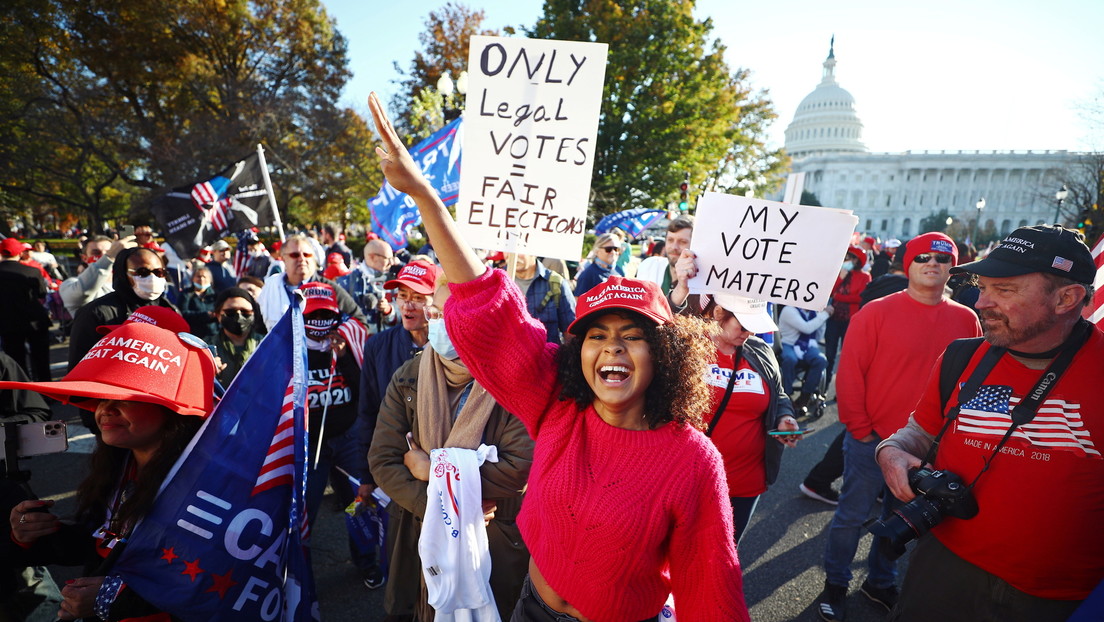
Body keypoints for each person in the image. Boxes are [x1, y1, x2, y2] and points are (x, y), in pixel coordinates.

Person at [369, 91, 748, 621]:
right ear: (578, 351)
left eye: (632, 335)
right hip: (528, 608)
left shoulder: (693, 461)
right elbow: (487, 306)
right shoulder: (557, 407)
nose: (612, 346)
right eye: (596, 335)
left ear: (666, 354)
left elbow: (712, 588)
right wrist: (426, 197)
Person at [876, 225, 1104, 622]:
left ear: (1067, 298)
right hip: (942, 569)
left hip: (1057, 596)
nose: (982, 302)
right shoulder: (962, 357)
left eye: (1005, 290)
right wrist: (891, 452)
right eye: (983, 287)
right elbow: (919, 433)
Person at [817, 232, 981, 622]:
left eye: (943, 259)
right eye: (923, 256)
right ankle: (836, 584)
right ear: (907, 263)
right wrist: (859, 430)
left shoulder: (966, 318)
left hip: (926, 449)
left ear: (952, 268)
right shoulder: (874, 312)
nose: (932, 264)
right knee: (851, 517)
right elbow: (851, 374)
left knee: (901, 522)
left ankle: (879, 582)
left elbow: (969, 381)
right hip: (870, 441)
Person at [2, 320, 214, 621]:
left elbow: (215, 584)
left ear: (173, 411)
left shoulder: (206, 486)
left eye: (124, 397)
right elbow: (100, 545)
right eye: (100, 397)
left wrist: (112, 599)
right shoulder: (119, 467)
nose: (105, 409)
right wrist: (29, 533)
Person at [369, 275, 534, 621]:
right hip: (417, 533)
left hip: (496, 541)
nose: (438, 322)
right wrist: (443, 509)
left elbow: (518, 466)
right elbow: (384, 460)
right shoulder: (409, 376)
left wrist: (433, 471)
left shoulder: (516, 382)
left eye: (451, 313)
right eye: (437, 313)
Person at [701, 293, 801, 544]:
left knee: (724, 558)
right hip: (692, 483)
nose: (748, 333)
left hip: (745, 482)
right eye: (743, 325)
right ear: (718, 313)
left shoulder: (760, 351)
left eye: (753, 326)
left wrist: (785, 417)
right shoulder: (689, 349)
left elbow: (778, 394)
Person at [355, 258, 440, 545]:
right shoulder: (378, 345)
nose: (407, 305)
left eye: (418, 298)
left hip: (442, 472)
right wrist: (366, 474)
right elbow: (367, 413)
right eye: (402, 296)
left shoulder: (455, 350)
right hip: (394, 475)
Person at [68, 247, 178, 373]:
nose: (152, 278)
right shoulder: (95, 313)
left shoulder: (169, 309)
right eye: (142, 272)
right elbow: (78, 368)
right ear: (123, 274)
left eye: (158, 272)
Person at [255, 234, 366, 333]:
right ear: (283, 259)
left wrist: (340, 336)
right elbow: (259, 328)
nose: (302, 259)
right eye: (295, 255)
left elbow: (359, 320)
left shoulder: (328, 288)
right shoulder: (271, 288)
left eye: (307, 255)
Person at [0, 238, 51, 382]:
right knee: (41, 358)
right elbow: (42, 293)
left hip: (8, 321)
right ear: (20, 253)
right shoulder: (32, 271)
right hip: (35, 319)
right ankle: (46, 391)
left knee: (16, 360)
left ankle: (22, 393)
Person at [823, 245, 870, 382]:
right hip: (833, 318)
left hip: (850, 320)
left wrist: (839, 297)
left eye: (850, 258)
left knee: (847, 356)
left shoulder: (864, 276)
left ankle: (842, 387)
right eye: (846, 257)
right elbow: (829, 292)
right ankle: (824, 388)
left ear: (857, 261)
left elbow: (860, 297)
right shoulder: (838, 273)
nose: (847, 260)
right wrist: (840, 278)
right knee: (829, 355)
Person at [59, 235, 137, 316]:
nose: (103, 256)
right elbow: (84, 290)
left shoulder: (129, 283)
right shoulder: (69, 285)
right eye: (96, 253)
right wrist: (109, 256)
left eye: (108, 251)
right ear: (84, 258)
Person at [777, 303, 831, 411]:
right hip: (788, 343)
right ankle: (786, 395)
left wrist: (821, 318)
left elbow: (818, 336)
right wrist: (825, 314)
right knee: (790, 359)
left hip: (807, 345)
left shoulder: (814, 313)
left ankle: (805, 397)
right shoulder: (789, 310)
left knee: (821, 360)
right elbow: (807, 328)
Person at [338, 238, 398, 335]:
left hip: (385, 343)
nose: (391, 262)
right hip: (356, 344)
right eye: (388, 258)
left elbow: (401, 320)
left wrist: (388, 310)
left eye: (393, 258)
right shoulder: (346, 282)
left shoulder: (393, 282)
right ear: (372, 257)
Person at [513, 253, 576, 343]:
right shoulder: (495, 282)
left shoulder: (556, 283)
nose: (513, 255)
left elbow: (571, 333)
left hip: (548, 355)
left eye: (520, 250)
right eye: (507, 249)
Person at [206, 287, 262, 388]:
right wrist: (207, 372)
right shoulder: (206, 348)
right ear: (218, 315)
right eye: (230, 312)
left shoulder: (267, 345)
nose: (239, 317)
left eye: (245, 312)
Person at [636, 216, 694, 297]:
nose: (674, 247)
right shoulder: (649, 266)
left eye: (682, 242)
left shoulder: (704, 284)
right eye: (670, 240)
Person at [572, 232, 624, 298]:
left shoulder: (619, 271)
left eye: (616, 249)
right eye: (608, 249)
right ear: (597, 251)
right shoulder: (588, 274)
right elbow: (579, 302)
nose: (613, 252)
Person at [178, 266, 218, 340]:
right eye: (198, 276)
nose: (201, 279)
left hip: (212, 335)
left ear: (210, 280)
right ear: (193, 278)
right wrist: (205, 315)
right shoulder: (186, 294)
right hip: (192, 335)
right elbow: (182, 313)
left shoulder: (215, 295)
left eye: (204, 277)